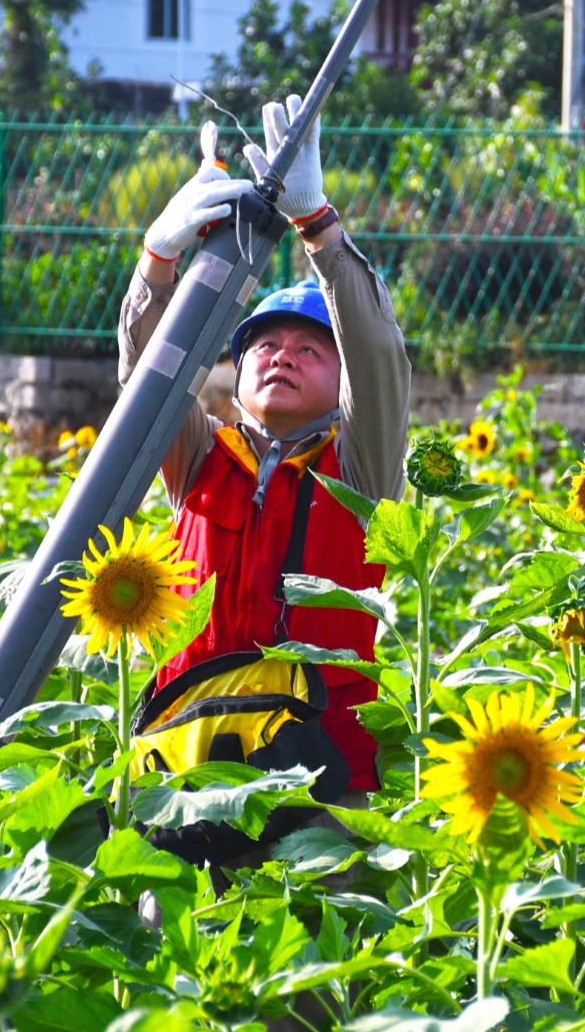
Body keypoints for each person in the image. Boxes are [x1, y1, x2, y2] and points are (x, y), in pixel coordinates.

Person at [120, 95, 411, 821]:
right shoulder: (198, 454)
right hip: (189, 761)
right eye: (265, 346)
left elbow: (378, 354)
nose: (283, 356)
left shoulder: (360, 467)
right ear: (238, 366)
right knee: (178, 931)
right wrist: (157, 269)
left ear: (340, 378)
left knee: (319, 929)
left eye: (310, 348)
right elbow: (149, 378)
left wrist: (321, 232)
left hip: (323, 774)